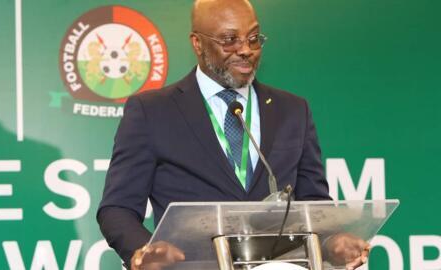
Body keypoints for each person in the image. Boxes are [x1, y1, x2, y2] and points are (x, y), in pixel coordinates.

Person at [97, 0, 369, 269]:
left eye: (253, 38)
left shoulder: (293, 110)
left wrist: (333, 240)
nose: (245, 50)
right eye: (229, 39)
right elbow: (117, 208)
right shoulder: (152, 111)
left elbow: (314, 203)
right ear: (197, 43)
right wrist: (144, 251)